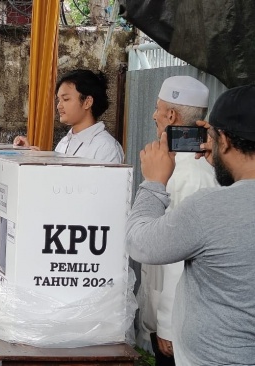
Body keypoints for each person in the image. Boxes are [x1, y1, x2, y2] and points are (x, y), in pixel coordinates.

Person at [126, 85, 255, 365]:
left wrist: (153, 183)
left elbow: (141, 244)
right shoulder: (221, 197)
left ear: (224, 140)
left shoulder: (208, 206)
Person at [137, 75, 217, 365]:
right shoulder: (175, 164)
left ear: (171, 115)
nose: (154, 115)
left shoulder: (193, 174)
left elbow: (180, 259)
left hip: (182, 323)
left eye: (158, 109)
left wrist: (169, 325)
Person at [13, 69, 124, 163]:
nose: (59, 106)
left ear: (87, 102)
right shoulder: (64, 142)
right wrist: (33, 158)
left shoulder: (106, 148)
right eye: (59, 100)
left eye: (65, 99)